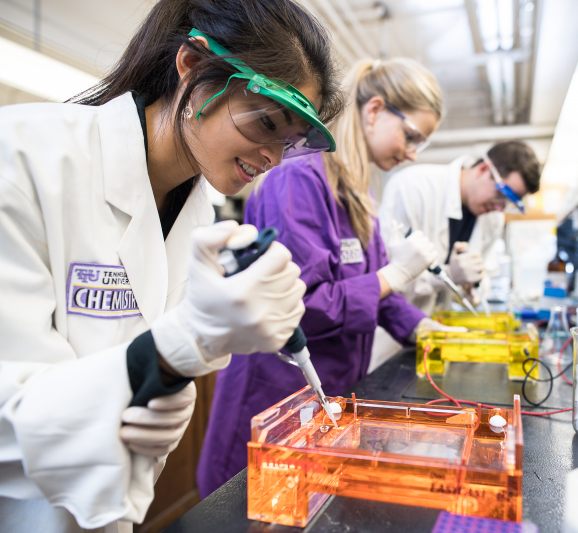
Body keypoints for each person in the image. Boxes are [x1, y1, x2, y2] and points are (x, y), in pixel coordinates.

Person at [0, 0, 344, 531]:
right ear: (192, 64)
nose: (273, 157)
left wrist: (163, 383)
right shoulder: (23, 155)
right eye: (266, 121)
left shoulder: (199, 212)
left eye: (288, 140)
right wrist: (168, 355)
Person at [197, 58, 463, 497]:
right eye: (412, 135)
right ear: (374, 110)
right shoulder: (297, 181)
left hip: (327, 400)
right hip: (275, 401)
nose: (414, 152)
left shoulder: (358, 195)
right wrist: (395, 276)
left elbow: (374, 290)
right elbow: (303, 306)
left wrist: (421, 327)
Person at [378, 141, 541, 315]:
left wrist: (472, 288)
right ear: (484, 170)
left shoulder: (494, 219)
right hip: (392, 327)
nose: (501, 208)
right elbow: (385, 275)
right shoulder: (412, 187)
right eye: (502, 194)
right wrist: (448, 275)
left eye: (510, 203)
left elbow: (483, 273)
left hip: (440, 326)